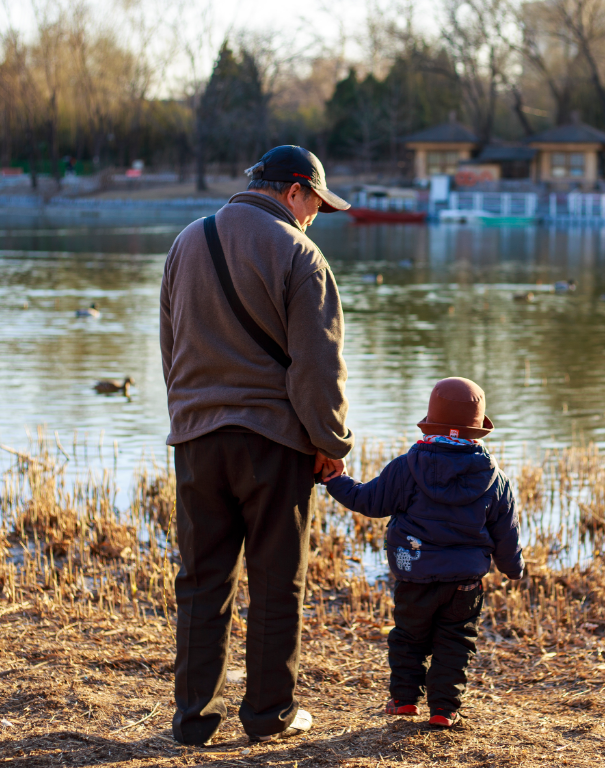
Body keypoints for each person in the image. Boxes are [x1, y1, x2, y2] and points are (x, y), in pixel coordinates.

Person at [159, 145, 353, 745]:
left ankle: (194, 721)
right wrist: (332, 443)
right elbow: (317, 367)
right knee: (276, 580)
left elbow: (170, 341)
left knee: (201, 581)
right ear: (294, 191)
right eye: (315, 203)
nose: (315, 216)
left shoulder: (186, 241)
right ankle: (269, 716)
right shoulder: (300, 253)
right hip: (274, 443)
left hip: (196, 437)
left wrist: (188, 414)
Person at [322, 377, 525, 727]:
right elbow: (506, 533)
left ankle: (404, 700)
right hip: (465, 583)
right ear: (478, 431)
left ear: (431, 422)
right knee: (456, 642)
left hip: (413, 573)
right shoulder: (496, 479)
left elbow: (368, 501)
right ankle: (444, 710)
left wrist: (334, 480)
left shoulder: (407, 467)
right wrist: (513, 568)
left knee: (408, 636)